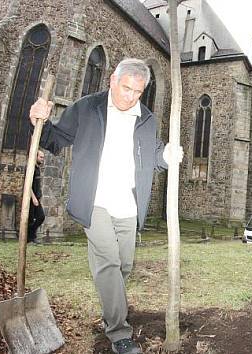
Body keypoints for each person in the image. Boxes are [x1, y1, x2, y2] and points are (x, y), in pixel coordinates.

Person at [29, 58, 182, 354]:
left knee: (123, 266)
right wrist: (39, 120)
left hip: (127, 204)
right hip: (95, 200)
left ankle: (111, 310)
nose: (130, 97)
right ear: (113, 80)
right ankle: (119, 334)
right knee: (109, 262)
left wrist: (168, 155)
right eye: (126, 89)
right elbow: (54, 139)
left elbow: (152, 157)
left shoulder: (146, 118)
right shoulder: (88, 107)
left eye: (138, 92)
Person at [27, 149, 45, 245]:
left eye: (43, 157)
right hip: (30, 199)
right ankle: (29, 239)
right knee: (31, 219)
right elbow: (27, 185)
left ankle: (31, 236)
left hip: (36, 198)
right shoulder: (31, 168)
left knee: (40, 217)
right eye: (41, 157)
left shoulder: (37, 168)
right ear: (35, 157)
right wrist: (33, 197)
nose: (42, 159)